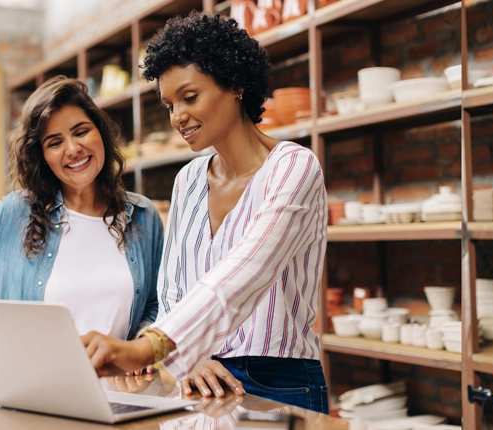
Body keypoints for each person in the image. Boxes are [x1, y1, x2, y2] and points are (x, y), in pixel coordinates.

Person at [80, 11, 328, 413]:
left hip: (280, 383)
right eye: (168, 105)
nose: (178, 116)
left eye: (189, 97)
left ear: (235, 85)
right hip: (199, 377)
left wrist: (150, 347)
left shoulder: (293, 167)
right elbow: (174, 287)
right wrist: (190, 359)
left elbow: (247, 272)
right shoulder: (189, 179)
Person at [0, 76, 164, 351]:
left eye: (81, 132)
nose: (73, 149)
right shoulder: (17, 213)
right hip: (36, 385)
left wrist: (138, 347)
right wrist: (1, 310)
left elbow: (154, 302)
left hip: (120, 391)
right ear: (41, 155)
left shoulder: (142, 215)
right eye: (54, 142)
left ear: (101, 133)